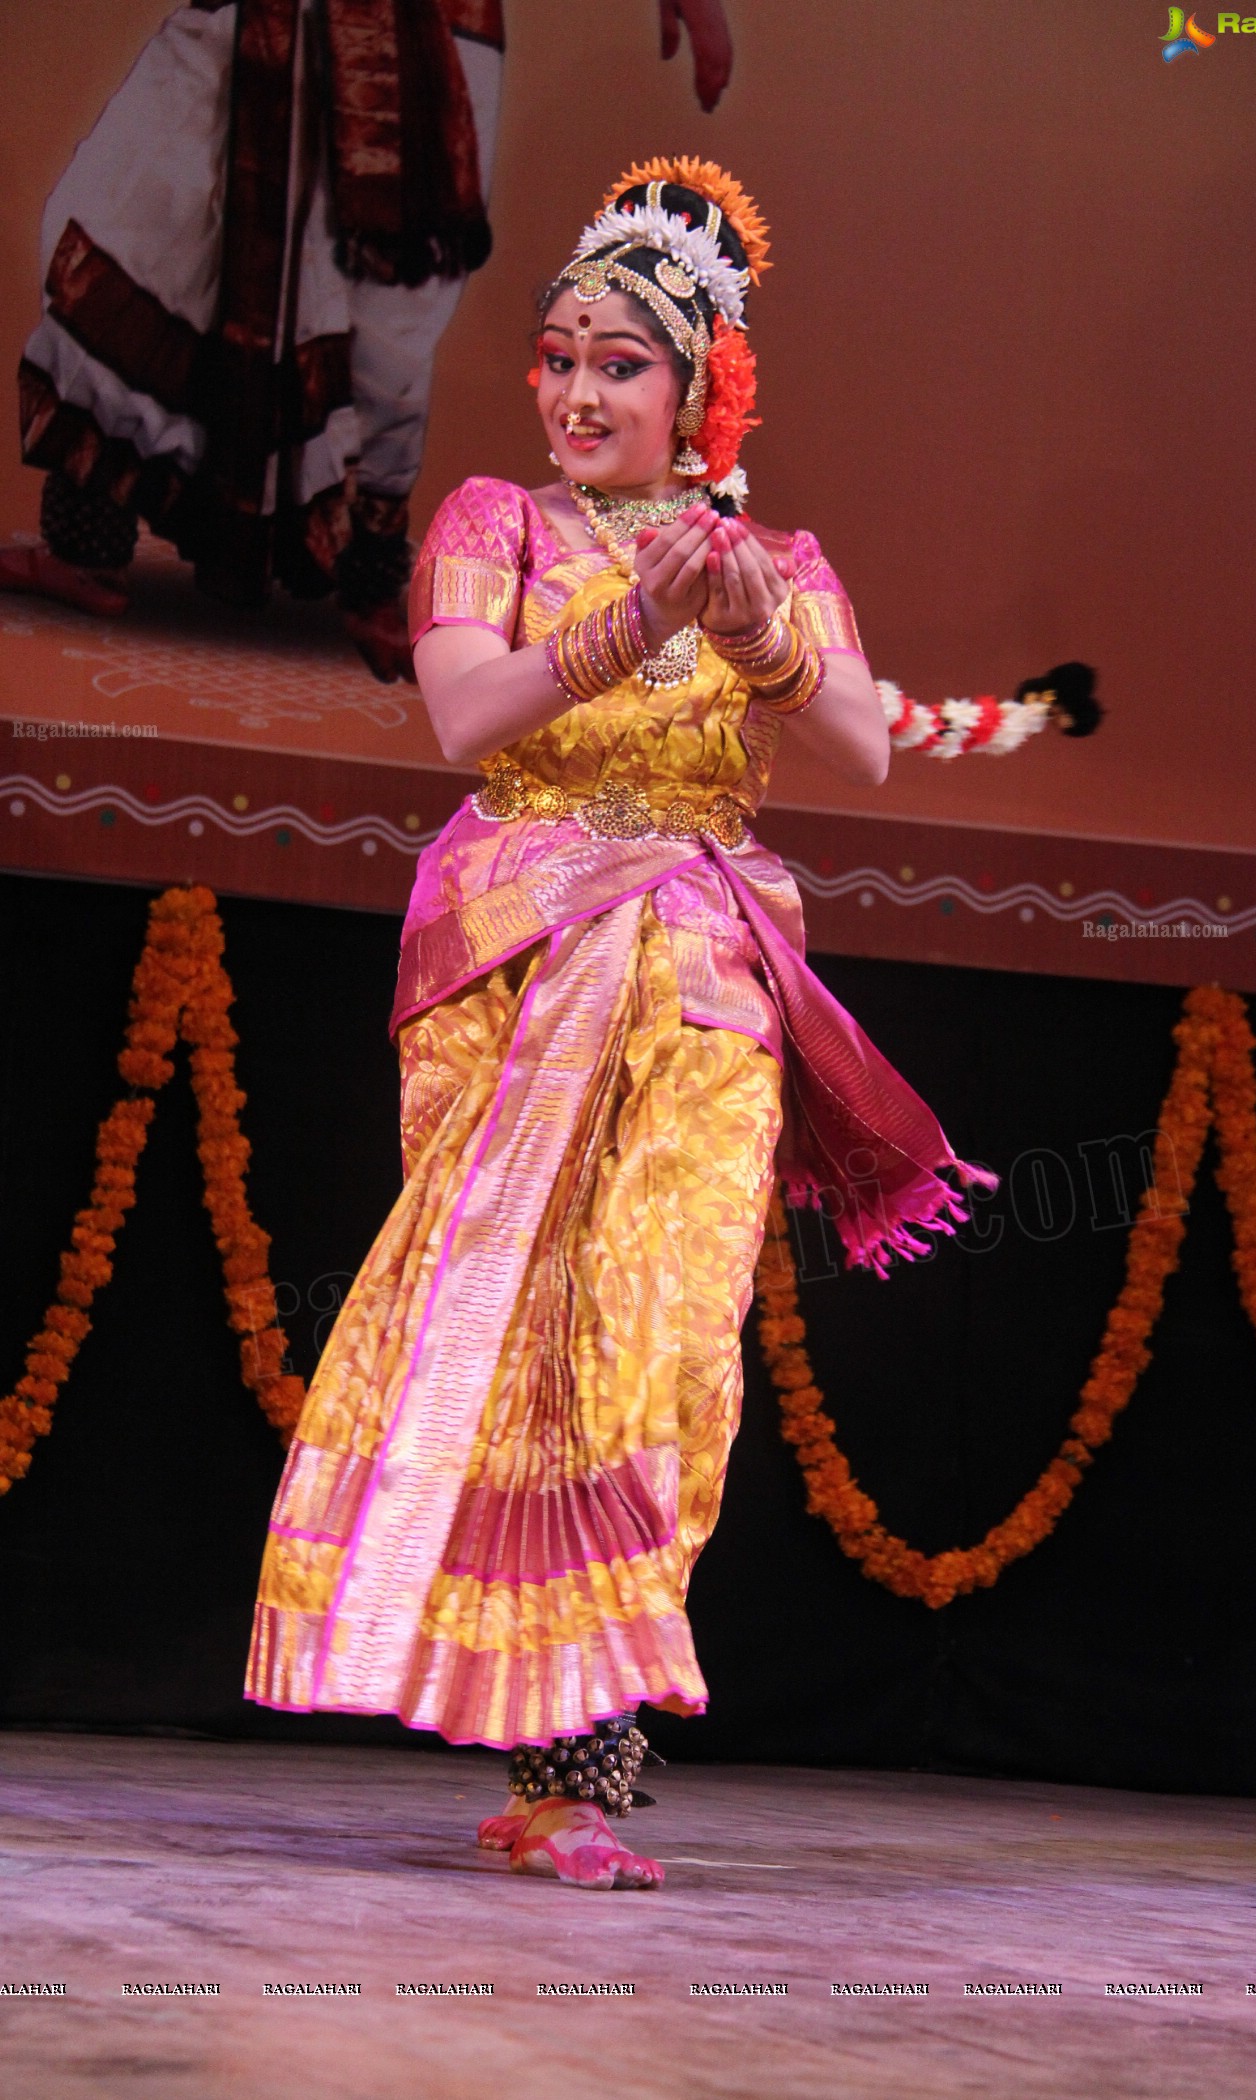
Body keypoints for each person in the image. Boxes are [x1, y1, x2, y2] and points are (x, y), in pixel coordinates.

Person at [245, 158, 996, 1891]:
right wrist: (635, 622)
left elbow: (866, 747)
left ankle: (590, 1764)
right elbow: (460, 716)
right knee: (518, 1333)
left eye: (623, 365)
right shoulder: (490, 527)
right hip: (518, 950)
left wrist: (760, 639)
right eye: (562, 359)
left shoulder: (776, 558)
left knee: (662, 1338)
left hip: (707, 963)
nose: (581, 393)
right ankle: (536, 1748)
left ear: (700, 387)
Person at [0, 0, 735, 682]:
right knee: (132, 234)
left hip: (420, 40)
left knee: (388, 310)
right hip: (259, 19)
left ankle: (371, 586)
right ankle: (86, 546)